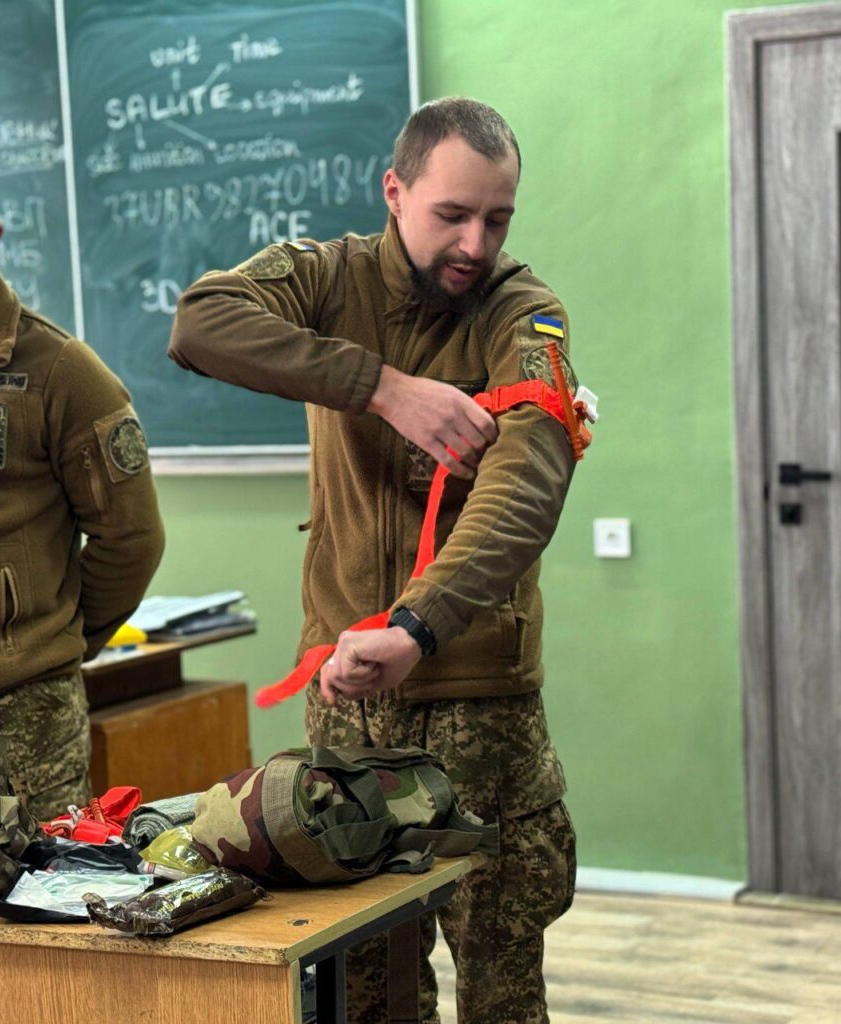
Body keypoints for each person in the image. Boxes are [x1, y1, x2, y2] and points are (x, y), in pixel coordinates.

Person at [169, 98, 579, 1024]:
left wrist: (417, 624)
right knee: (365, 988)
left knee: (502, 988)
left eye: (498, 219)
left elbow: (526, 482)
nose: (476, 244)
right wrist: (385, 389)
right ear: (394, 192)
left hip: (478, 709)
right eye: (452, 214)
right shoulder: (329, 277)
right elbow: (200, 324)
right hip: (347, 698)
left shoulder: (526, 315)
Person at [0, 153, 165, 821]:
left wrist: (55, 642)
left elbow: (131, 540)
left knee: (35, 885)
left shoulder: (61, 372)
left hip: (23, 717)